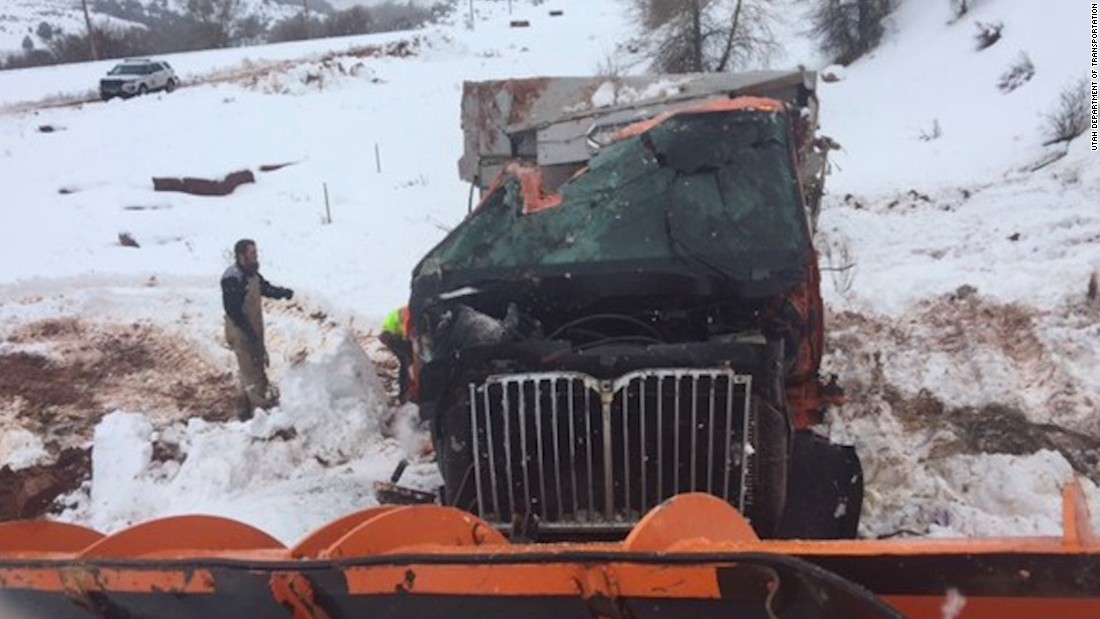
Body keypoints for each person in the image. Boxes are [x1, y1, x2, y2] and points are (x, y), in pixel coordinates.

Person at [221, 239, 293, 415]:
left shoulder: (251, 274)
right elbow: (233, 311)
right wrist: (249, 333)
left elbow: (265, 288)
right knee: (252, 370)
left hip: (253, 328)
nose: (256, 256)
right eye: (252, 253)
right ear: (241, 256)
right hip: (240, 331)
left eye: (256, 253)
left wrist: (283, 293)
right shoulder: (232, 278)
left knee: (254, 365)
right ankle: (261, 413)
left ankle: (244, 406)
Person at [379, 306, 412, 403]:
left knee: (405, 360)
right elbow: (407, 333)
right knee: (406, 360)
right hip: (388, 335)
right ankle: (405, 394)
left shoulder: (411, 309)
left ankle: (405, 392)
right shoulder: (411, 312)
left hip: (391, 335)